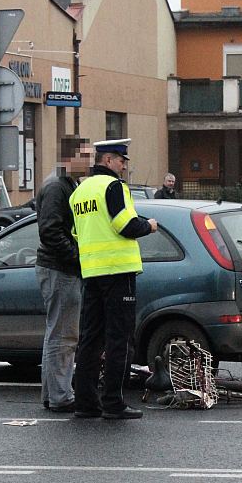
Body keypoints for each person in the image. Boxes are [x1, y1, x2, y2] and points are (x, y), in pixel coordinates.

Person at [70, 138, 157, 420]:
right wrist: (149, 226)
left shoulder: (80, 191)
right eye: (121, 161)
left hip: (92, 272)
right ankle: (113, 403)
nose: (123, 166)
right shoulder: (114, 187)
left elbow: (75, 233)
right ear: (107, 161)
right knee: (119, 339)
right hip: (119, 272)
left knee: (90, 339)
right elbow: (126, 225)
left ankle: (85, 402)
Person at [35, 138, 93, 412]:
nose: (90, 162)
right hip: (60, 269)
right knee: (64, 336)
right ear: (70, 158)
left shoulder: (64, 184)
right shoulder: (58, 187)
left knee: (56, 333)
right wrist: (77, 258)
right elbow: (50, 232)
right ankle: (60, 396)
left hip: (58, 268)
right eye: (85, 155)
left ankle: (52, 394)